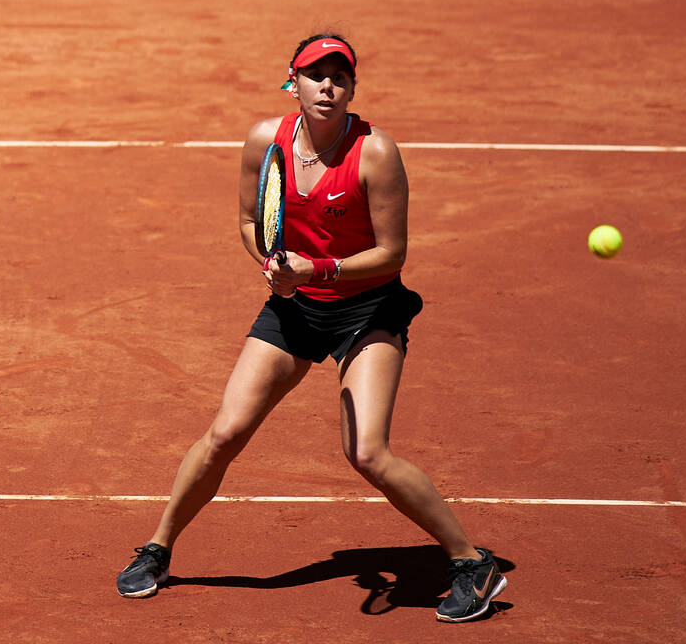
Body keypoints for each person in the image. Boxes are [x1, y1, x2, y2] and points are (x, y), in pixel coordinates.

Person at [115, 34, 507, 623]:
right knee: (225, 432)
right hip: (296, 307)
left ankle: (470, 562)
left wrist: (317, 267)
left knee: (367, 453)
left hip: (368, 311)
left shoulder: (375, 152)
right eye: (315, 75)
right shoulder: (262, 142)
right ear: (291, 82)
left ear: (352, 88)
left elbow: (393, 254)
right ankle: (158, 548)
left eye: (340, 78)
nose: (328, 87)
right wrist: (271, 264)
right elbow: (251, 221)